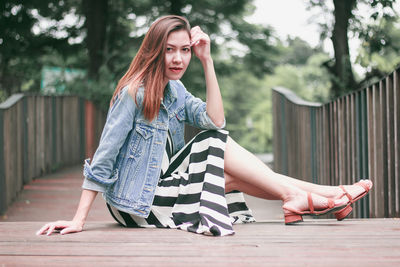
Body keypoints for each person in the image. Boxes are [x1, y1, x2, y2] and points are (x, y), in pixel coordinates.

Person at [37, 15, 372, 237]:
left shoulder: (176, 90)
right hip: (135, 204)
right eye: (169, 51)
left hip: (162, 189)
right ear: (155, 51)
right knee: (213, 143)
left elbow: (215, 119)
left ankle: (323, 194)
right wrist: (79, 219)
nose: (178, 59)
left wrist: (207, 61)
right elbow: (105, 155)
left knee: (226, 170)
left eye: (184, 50)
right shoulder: (133, 93)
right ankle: (316, 195)